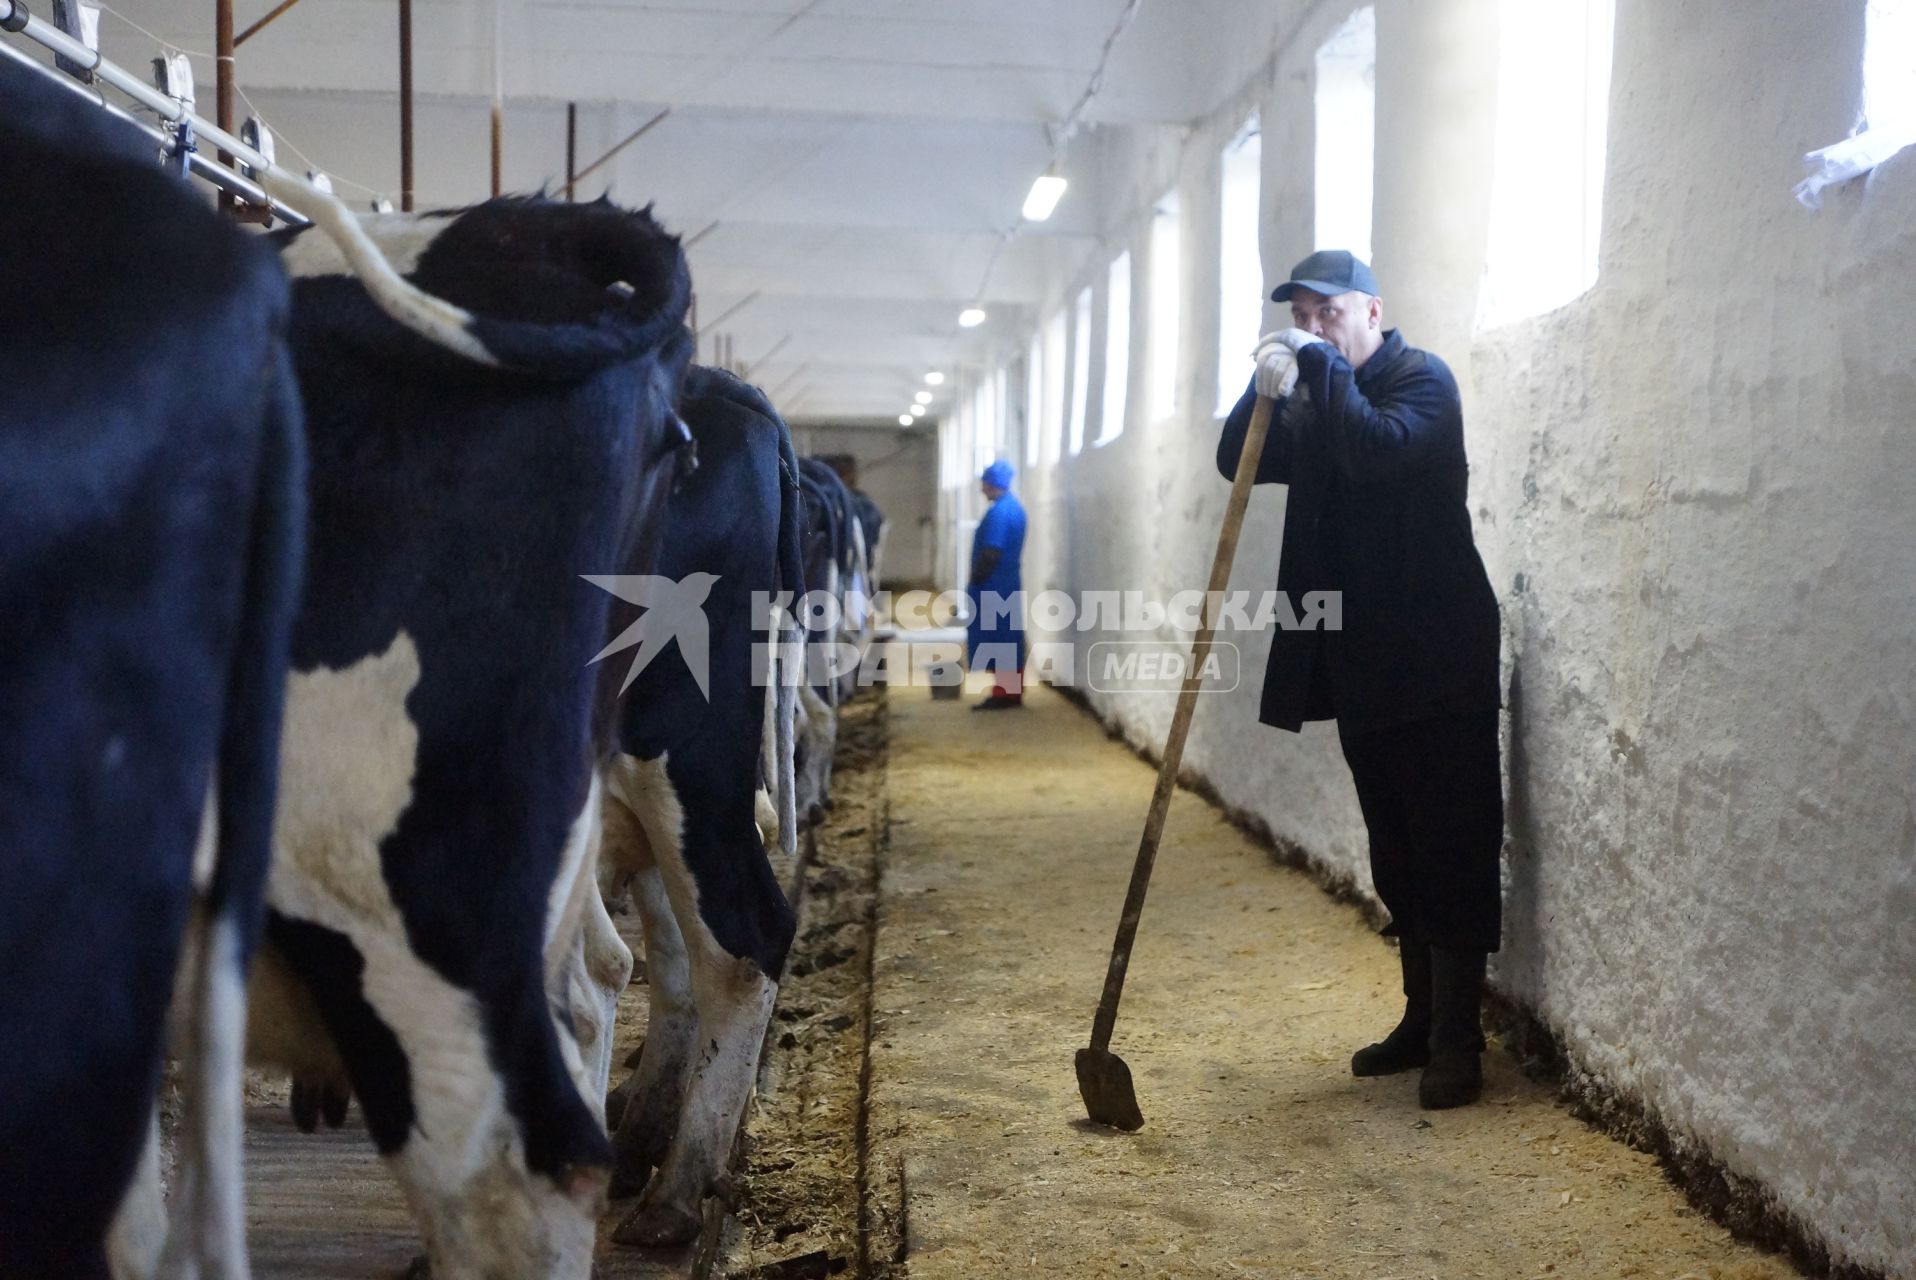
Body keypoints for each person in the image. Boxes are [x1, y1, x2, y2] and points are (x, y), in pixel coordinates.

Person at [1216, 249, 1504, 1109]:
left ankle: (1460, 1039)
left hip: (1440, 655)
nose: (1312, 327)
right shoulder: (1315, 398)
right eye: (1300, 316)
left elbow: (1375, 454)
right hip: (1364, 663)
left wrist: (1309, 368)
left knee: (1452, 842)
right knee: (1397, 848)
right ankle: (1420, 1019)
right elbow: (1238, 458)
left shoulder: (1423, 383)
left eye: (1326, 311)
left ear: (1373, 310)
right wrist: (1261, 387)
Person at [965, 459, 1027, 710]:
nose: (981, 489)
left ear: (992, 484)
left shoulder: (1000, 512)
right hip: (1006, 582)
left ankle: (1004, 693)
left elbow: (992, 551)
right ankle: (1011, 690)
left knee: (997, 637)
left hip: (993, 583)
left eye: (983, 484)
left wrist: (976, 579)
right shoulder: (1014, 508)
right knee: (1007, 636)